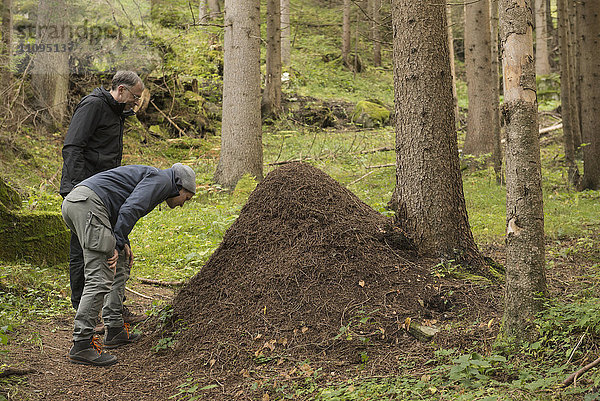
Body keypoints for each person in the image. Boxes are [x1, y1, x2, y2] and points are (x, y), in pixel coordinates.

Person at [61, 163, 196, 366]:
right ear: (179, 186)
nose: (183, 204)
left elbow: (117, 205)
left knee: (121, 260)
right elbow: (132, 207)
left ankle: (114, 328)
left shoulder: (156, 179)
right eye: (187, 198)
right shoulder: (161, 180)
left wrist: (122, 242)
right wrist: (116, 241)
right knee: (100, 276)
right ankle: (81, 344)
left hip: (82, 203)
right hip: (88, 205)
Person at [60, 71, 146, 325]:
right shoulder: (93, 105)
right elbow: (73, 147)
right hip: (84, 191)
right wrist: (77, 188)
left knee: (113, 244)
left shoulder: (118, 113)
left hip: (107, 190)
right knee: (82, 247)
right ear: (121, 90)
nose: (136, 102)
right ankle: (82, 310)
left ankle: (113, 307)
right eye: (135, 97)